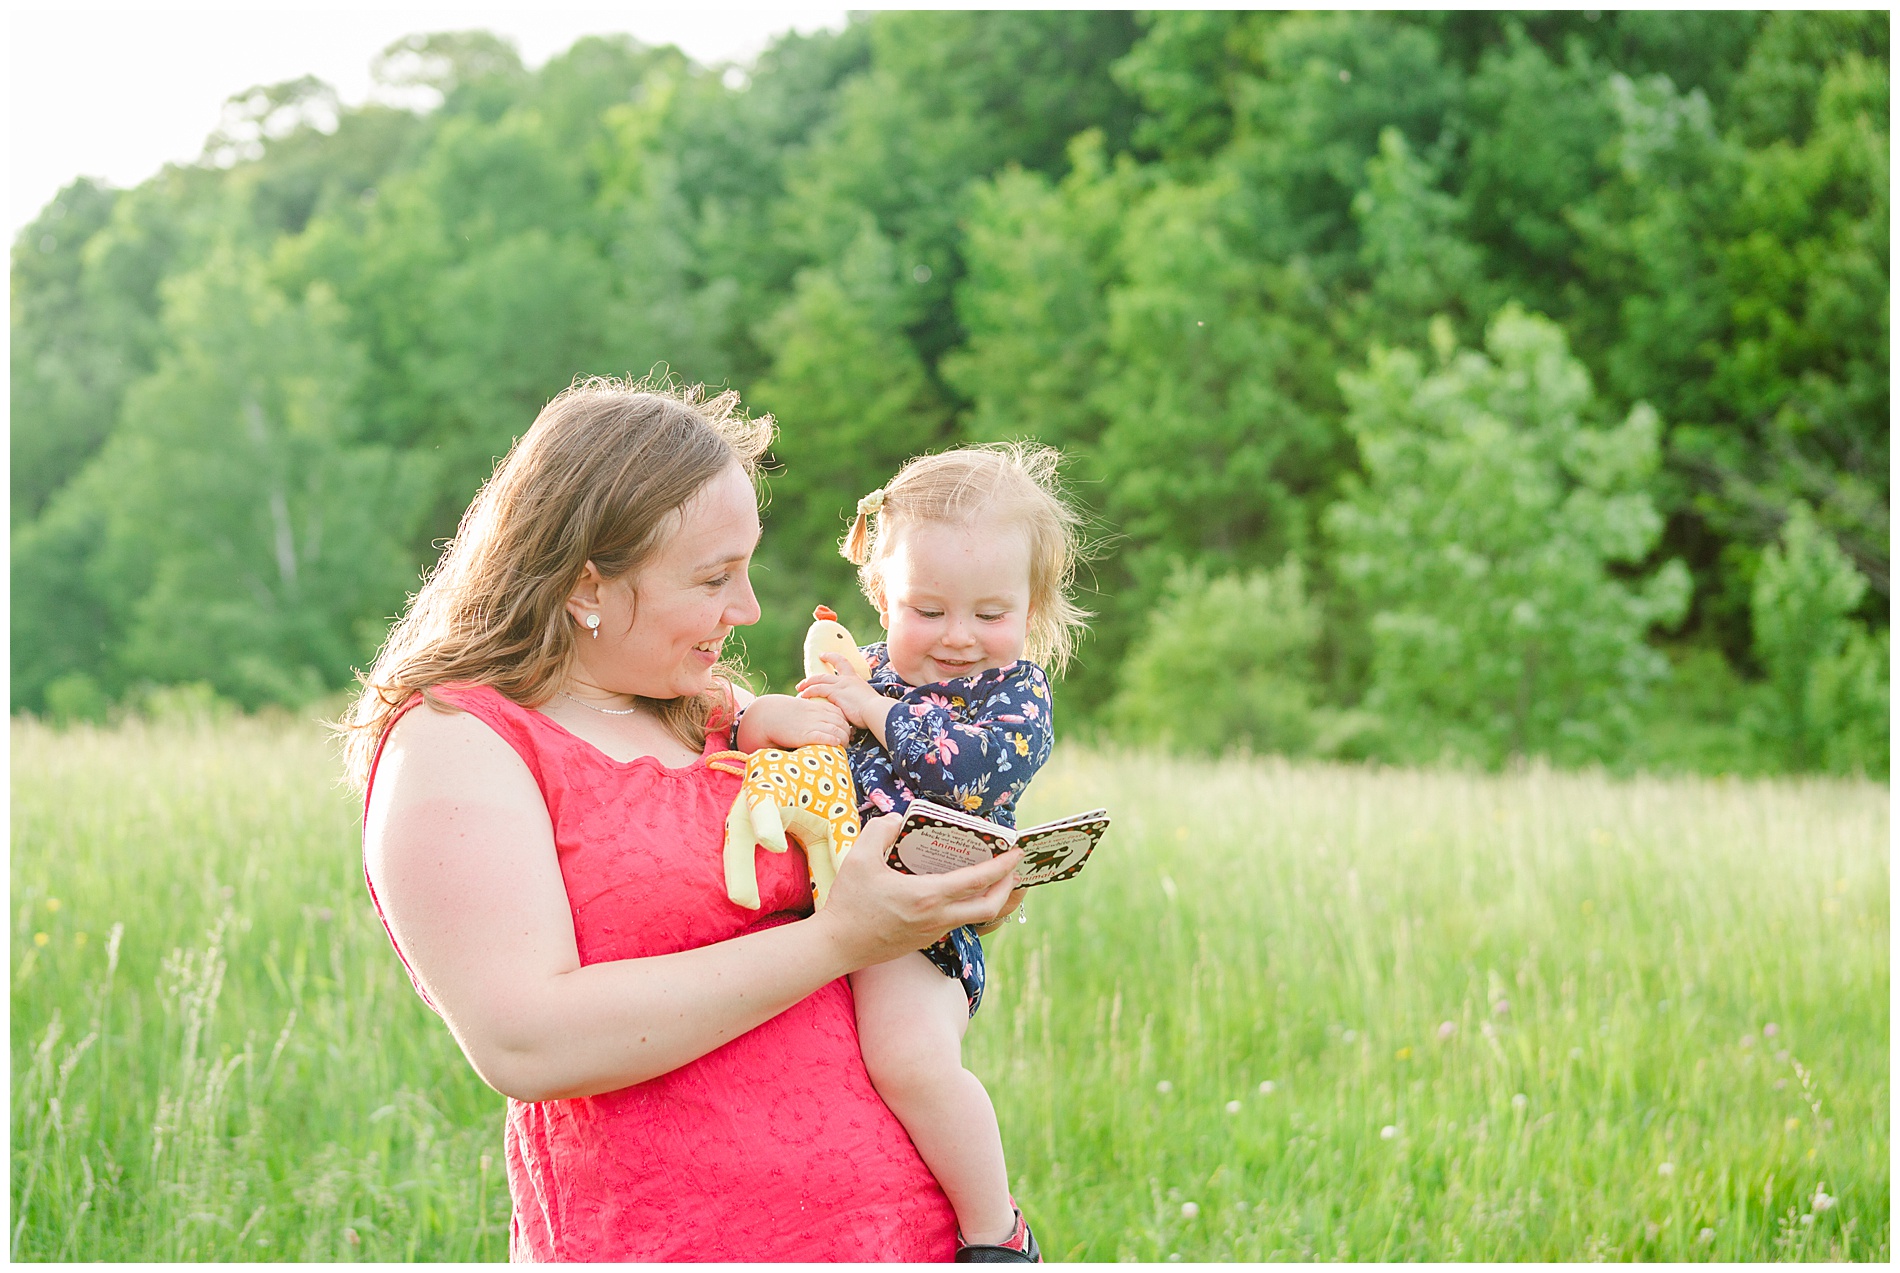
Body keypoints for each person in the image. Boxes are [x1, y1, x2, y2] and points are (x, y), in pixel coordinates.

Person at [340, 379, 1023, 1262]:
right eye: (713, 578)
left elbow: (843, 863)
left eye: (746, 567)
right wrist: (840, 940)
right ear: (588, 583)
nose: (748, 610)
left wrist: (938, 888)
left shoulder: (704, 707)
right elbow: (527, 1039)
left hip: (908, 1234)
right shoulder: (458, 741)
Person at [740, 444, 1087, 1263]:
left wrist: (869, 707)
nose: (959, 637)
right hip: (833, 904)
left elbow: (964, 771)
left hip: (916, 926)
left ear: (1031, 608)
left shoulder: (1014, 695)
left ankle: (994, 1231)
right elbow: (805, 745)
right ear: (882, 597)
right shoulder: (868, 675)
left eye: (989, 613)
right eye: (927, 611)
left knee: (909, 1062)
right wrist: (777, 717)